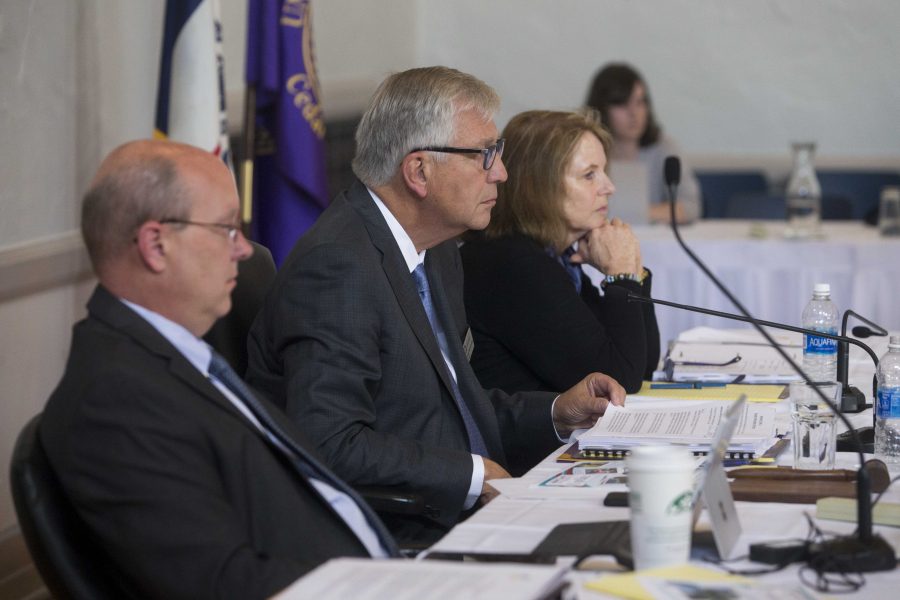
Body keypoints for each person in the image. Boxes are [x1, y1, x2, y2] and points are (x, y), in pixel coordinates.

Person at [246, 67, 626, 544]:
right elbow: (329, 441)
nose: (501, 173)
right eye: (485, 155)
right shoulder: (338, 267)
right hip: (401, 533)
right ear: (419, 171)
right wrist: (470, 475)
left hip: (463, 513)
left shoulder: (438, 250)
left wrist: (554, 412)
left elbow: (446, 407)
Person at [40, 140, 398, 600]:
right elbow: (223, 584)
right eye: (227, 228)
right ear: (156, 244)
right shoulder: (114, 399)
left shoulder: (175, 357)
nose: (245, 250)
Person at [461, 110, 660, 395]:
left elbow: (642, 367)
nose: (609, 187)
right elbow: (620, 380)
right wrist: (622, 274)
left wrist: (633, 270)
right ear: (540, 187)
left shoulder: (554, 256)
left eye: (604, 172)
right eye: (589, 175)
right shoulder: (515, 265)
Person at [585, 62, 702, 223]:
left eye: (640, 102)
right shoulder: (585, 152)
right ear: (601, 108)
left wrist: (633, 213)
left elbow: (690, 208)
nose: (634, 113)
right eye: (622, 104)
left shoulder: (664, 148)